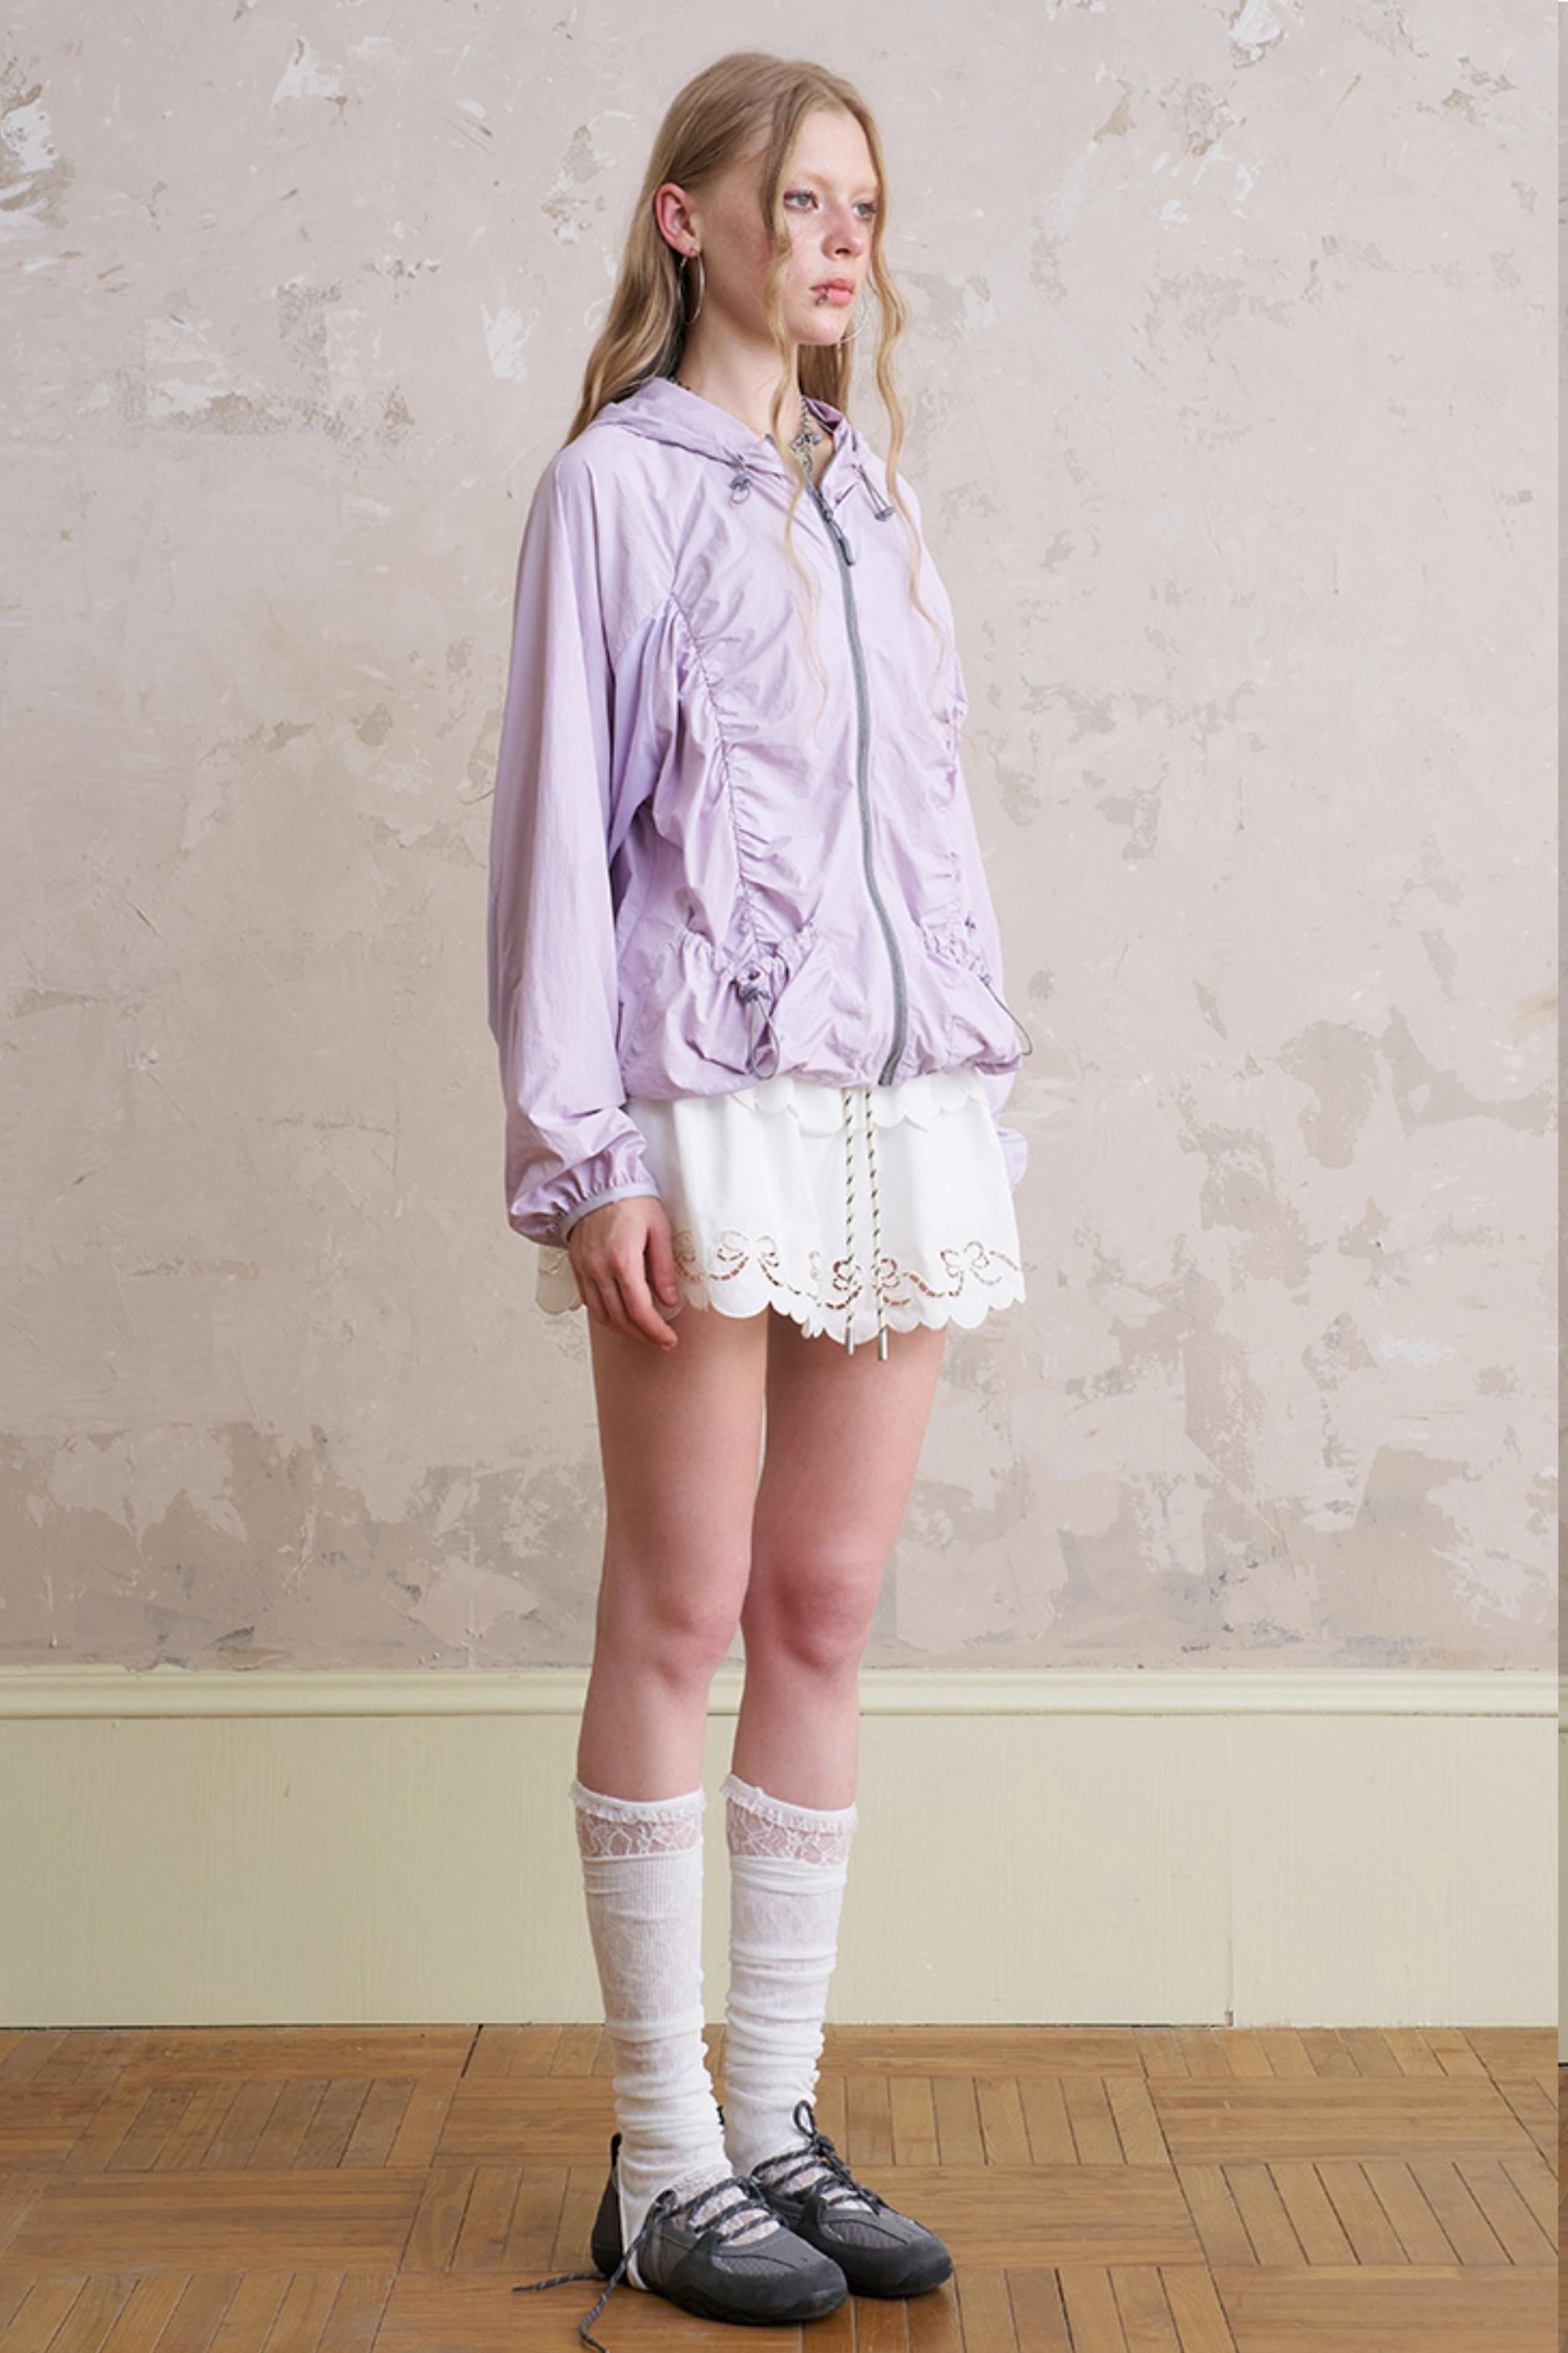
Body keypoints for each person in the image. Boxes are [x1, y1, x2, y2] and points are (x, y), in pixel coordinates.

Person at [492, 49, 1033, 2350]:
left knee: (820, 1607)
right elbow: (554, 839)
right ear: (690, 218)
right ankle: (661, 2152)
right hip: (704, 1116)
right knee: (681, 1605)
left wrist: (974, 1085)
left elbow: (932, 827)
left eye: (863, 210)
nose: (841, 245)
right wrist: (582, 1154)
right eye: (804, 201)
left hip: (896, 1117)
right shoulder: (614, 493)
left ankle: (774, 2118)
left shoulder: (873, 500)